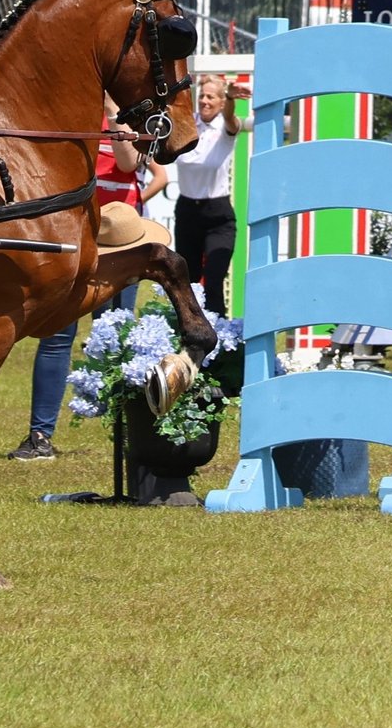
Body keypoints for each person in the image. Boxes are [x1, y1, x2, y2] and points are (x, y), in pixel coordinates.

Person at [13, 95, 150, 461]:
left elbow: (128, 161)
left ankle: (127, 434)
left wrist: (111, 113)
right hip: (74, 241)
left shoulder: (127, 121)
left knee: (117, 340)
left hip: (119, 243)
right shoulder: (71, 118)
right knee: (57, 337)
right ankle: (39, 436)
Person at [175, 76, 248, 316]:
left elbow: (230, 117)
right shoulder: (187, 124)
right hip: (187, 212)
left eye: (211, 97)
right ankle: (189, 339)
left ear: (220, 102)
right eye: (202, 96)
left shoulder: (225, 126)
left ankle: (222, 341)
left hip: (218, 216)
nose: (205, 101)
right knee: (190, 283)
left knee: (214, 282)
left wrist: (229, 97)